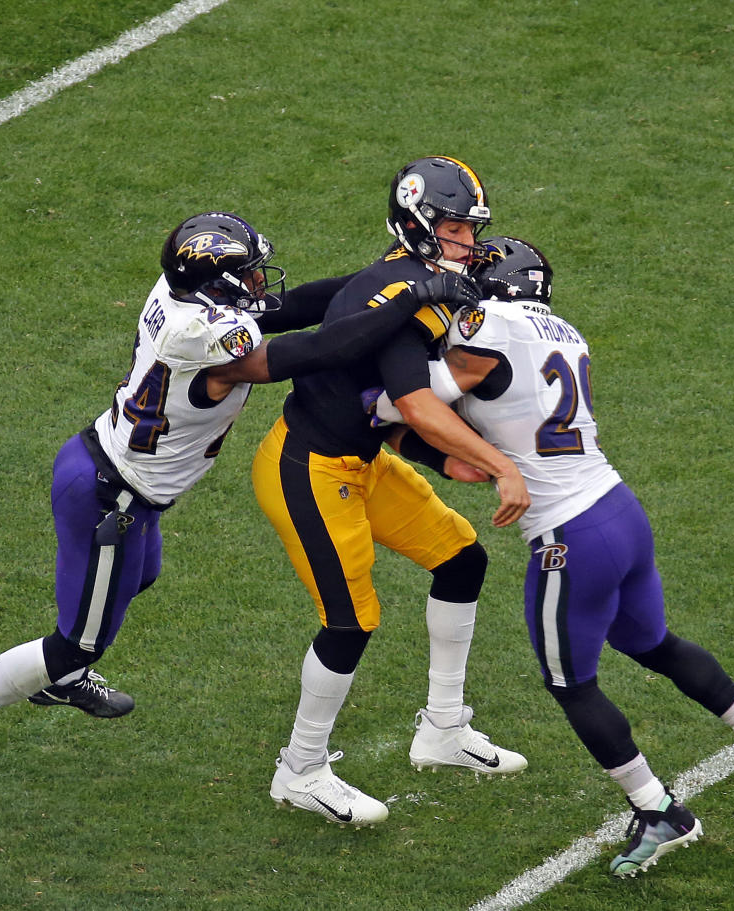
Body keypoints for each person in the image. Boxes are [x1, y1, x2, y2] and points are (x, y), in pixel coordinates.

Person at [0, 211, 478, 801]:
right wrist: (410, 300)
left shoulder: (188, 298)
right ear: (213, 283)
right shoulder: (205, 335)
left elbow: (299, 308)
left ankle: (60, 673)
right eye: (246, 274)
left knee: (141, 579)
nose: (257, 283)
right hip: (109, 497)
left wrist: (385, 282)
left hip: (116, 475)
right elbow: (307, 351)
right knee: (76, 642)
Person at [365, 236, 734, 873]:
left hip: (567, 534)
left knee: (571, 684)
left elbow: (406, 402)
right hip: (618, 509)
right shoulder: (566, 333)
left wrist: (375, 374)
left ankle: (659, 810)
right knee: (653, 643)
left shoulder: (485, 328)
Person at [252, 157, 531, 828]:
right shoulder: (403, 291)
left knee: (463, 558)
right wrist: (500, 465)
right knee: (350, 618)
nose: (468, 241)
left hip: (360, 458)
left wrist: (441, 461)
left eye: (470, 227)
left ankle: (442, 728)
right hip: (308, 466)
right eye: (456, 227)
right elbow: (413, 401)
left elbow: (380, 408)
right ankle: (300, 768)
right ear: (419, 224)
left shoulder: (410, 280)